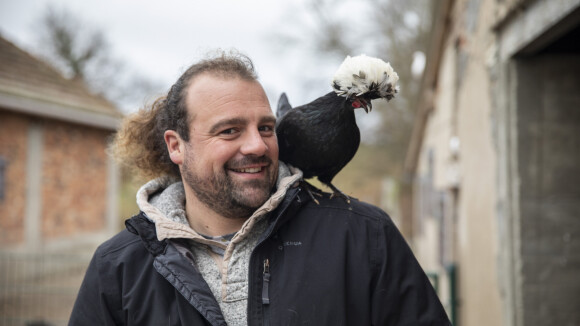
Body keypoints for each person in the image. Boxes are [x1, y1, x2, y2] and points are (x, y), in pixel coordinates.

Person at [69, 51, 451, 326]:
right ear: (176, 146)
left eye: (266, 128)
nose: (257, 145)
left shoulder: (366, 237)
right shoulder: (116, 267)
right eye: (230, 130)